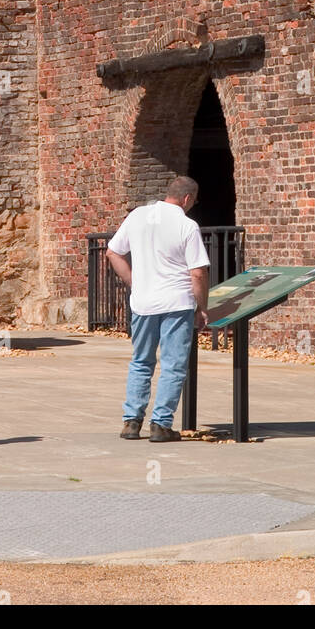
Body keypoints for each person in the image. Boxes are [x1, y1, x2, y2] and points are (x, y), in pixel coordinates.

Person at [106, 175, 210, 442]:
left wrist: (133, 281)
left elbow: (113, 253)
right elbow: (197, 273)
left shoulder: (138, 216)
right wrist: (202, 308)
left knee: (141, 362)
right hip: (177, 302)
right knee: (173, 365)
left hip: (143, 302)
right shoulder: (187, 225)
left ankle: (131, 421)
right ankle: (161, 425)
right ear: (187, 199)